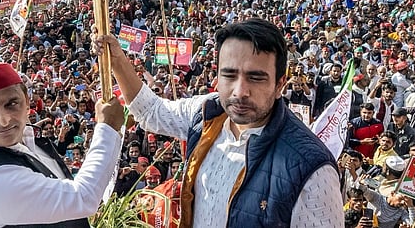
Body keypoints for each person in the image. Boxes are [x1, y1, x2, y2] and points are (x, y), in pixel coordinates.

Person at [105, 18, 343, 227]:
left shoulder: (312, 168)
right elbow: (152, 112)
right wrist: (116, 60)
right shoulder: (206, 113)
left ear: (280, 84)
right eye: (229, 75)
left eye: (256, 78)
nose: (240, 91)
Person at [0, 61, 124, 228]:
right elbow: (83, 198)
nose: (3, 120)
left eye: (12, 104)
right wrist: (107, 127)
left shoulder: (25, 141)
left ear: (27, 101)